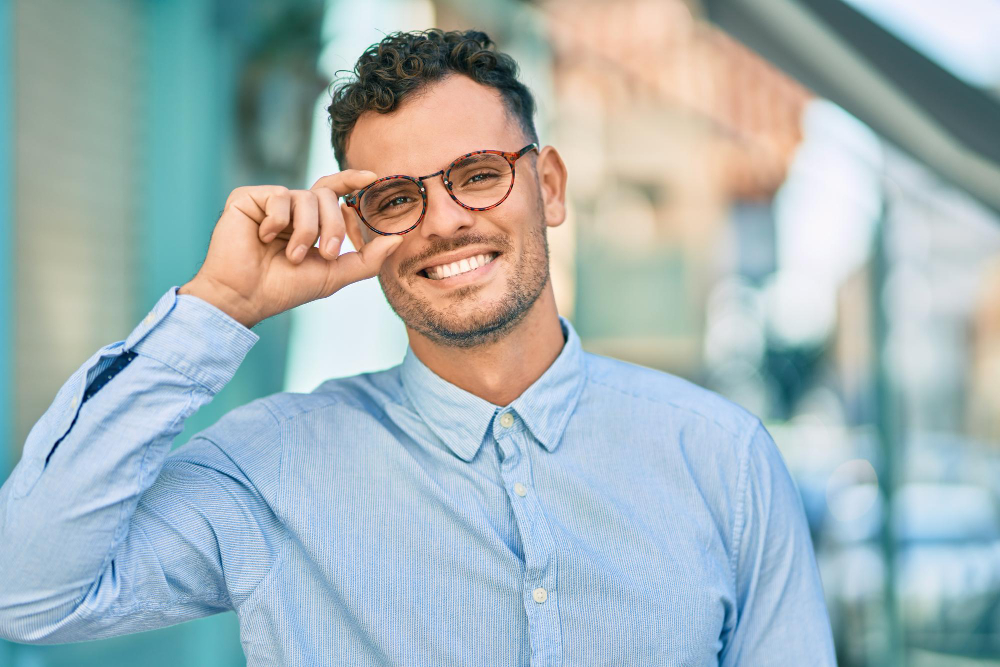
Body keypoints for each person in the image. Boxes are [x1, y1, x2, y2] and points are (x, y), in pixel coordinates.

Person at [0, 28, 836, 666]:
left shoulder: (723, 459)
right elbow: (26, 591)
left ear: (548, 187)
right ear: (357, 227)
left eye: (478, 174)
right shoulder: (271, 466)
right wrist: (219, 306)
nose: (442, 222)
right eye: (396, 198)